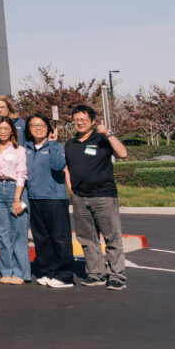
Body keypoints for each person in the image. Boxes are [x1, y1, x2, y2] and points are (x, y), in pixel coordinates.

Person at [64, 104, 128, 290]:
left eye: (83, 120)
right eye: (76, 120)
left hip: (104, 197)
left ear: (92, 121)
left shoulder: (102, 139)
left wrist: (108, 133)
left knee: (112, 238)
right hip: (80, 198)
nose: (79, 123)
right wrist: (70, 187)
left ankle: (117, 275)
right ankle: (96, 273)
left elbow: (122, 153)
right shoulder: (70, 144)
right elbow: (66, 168)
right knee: (87, 239)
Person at [25, 114, 73, 289]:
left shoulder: (56, 146)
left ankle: (65, 276)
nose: (38, 128)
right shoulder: (27, 148)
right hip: (34, 198)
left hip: (54, 199)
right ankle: (48, 271)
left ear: (48, 127)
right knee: (42, 238)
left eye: (42, 125)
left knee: (60, 238)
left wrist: (52, 144)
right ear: (29, 129)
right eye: (34, 125)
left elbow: (58, 166)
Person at [0, 116, 31, 284]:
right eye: (0, 128)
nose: (3, 131)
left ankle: (21, 273)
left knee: (18, 233)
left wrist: (17, 198)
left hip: (15, 189)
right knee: (2, 234)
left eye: (6, 128)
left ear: (12, 131)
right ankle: (7, 271)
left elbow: (21, 173)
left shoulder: (19, 149)